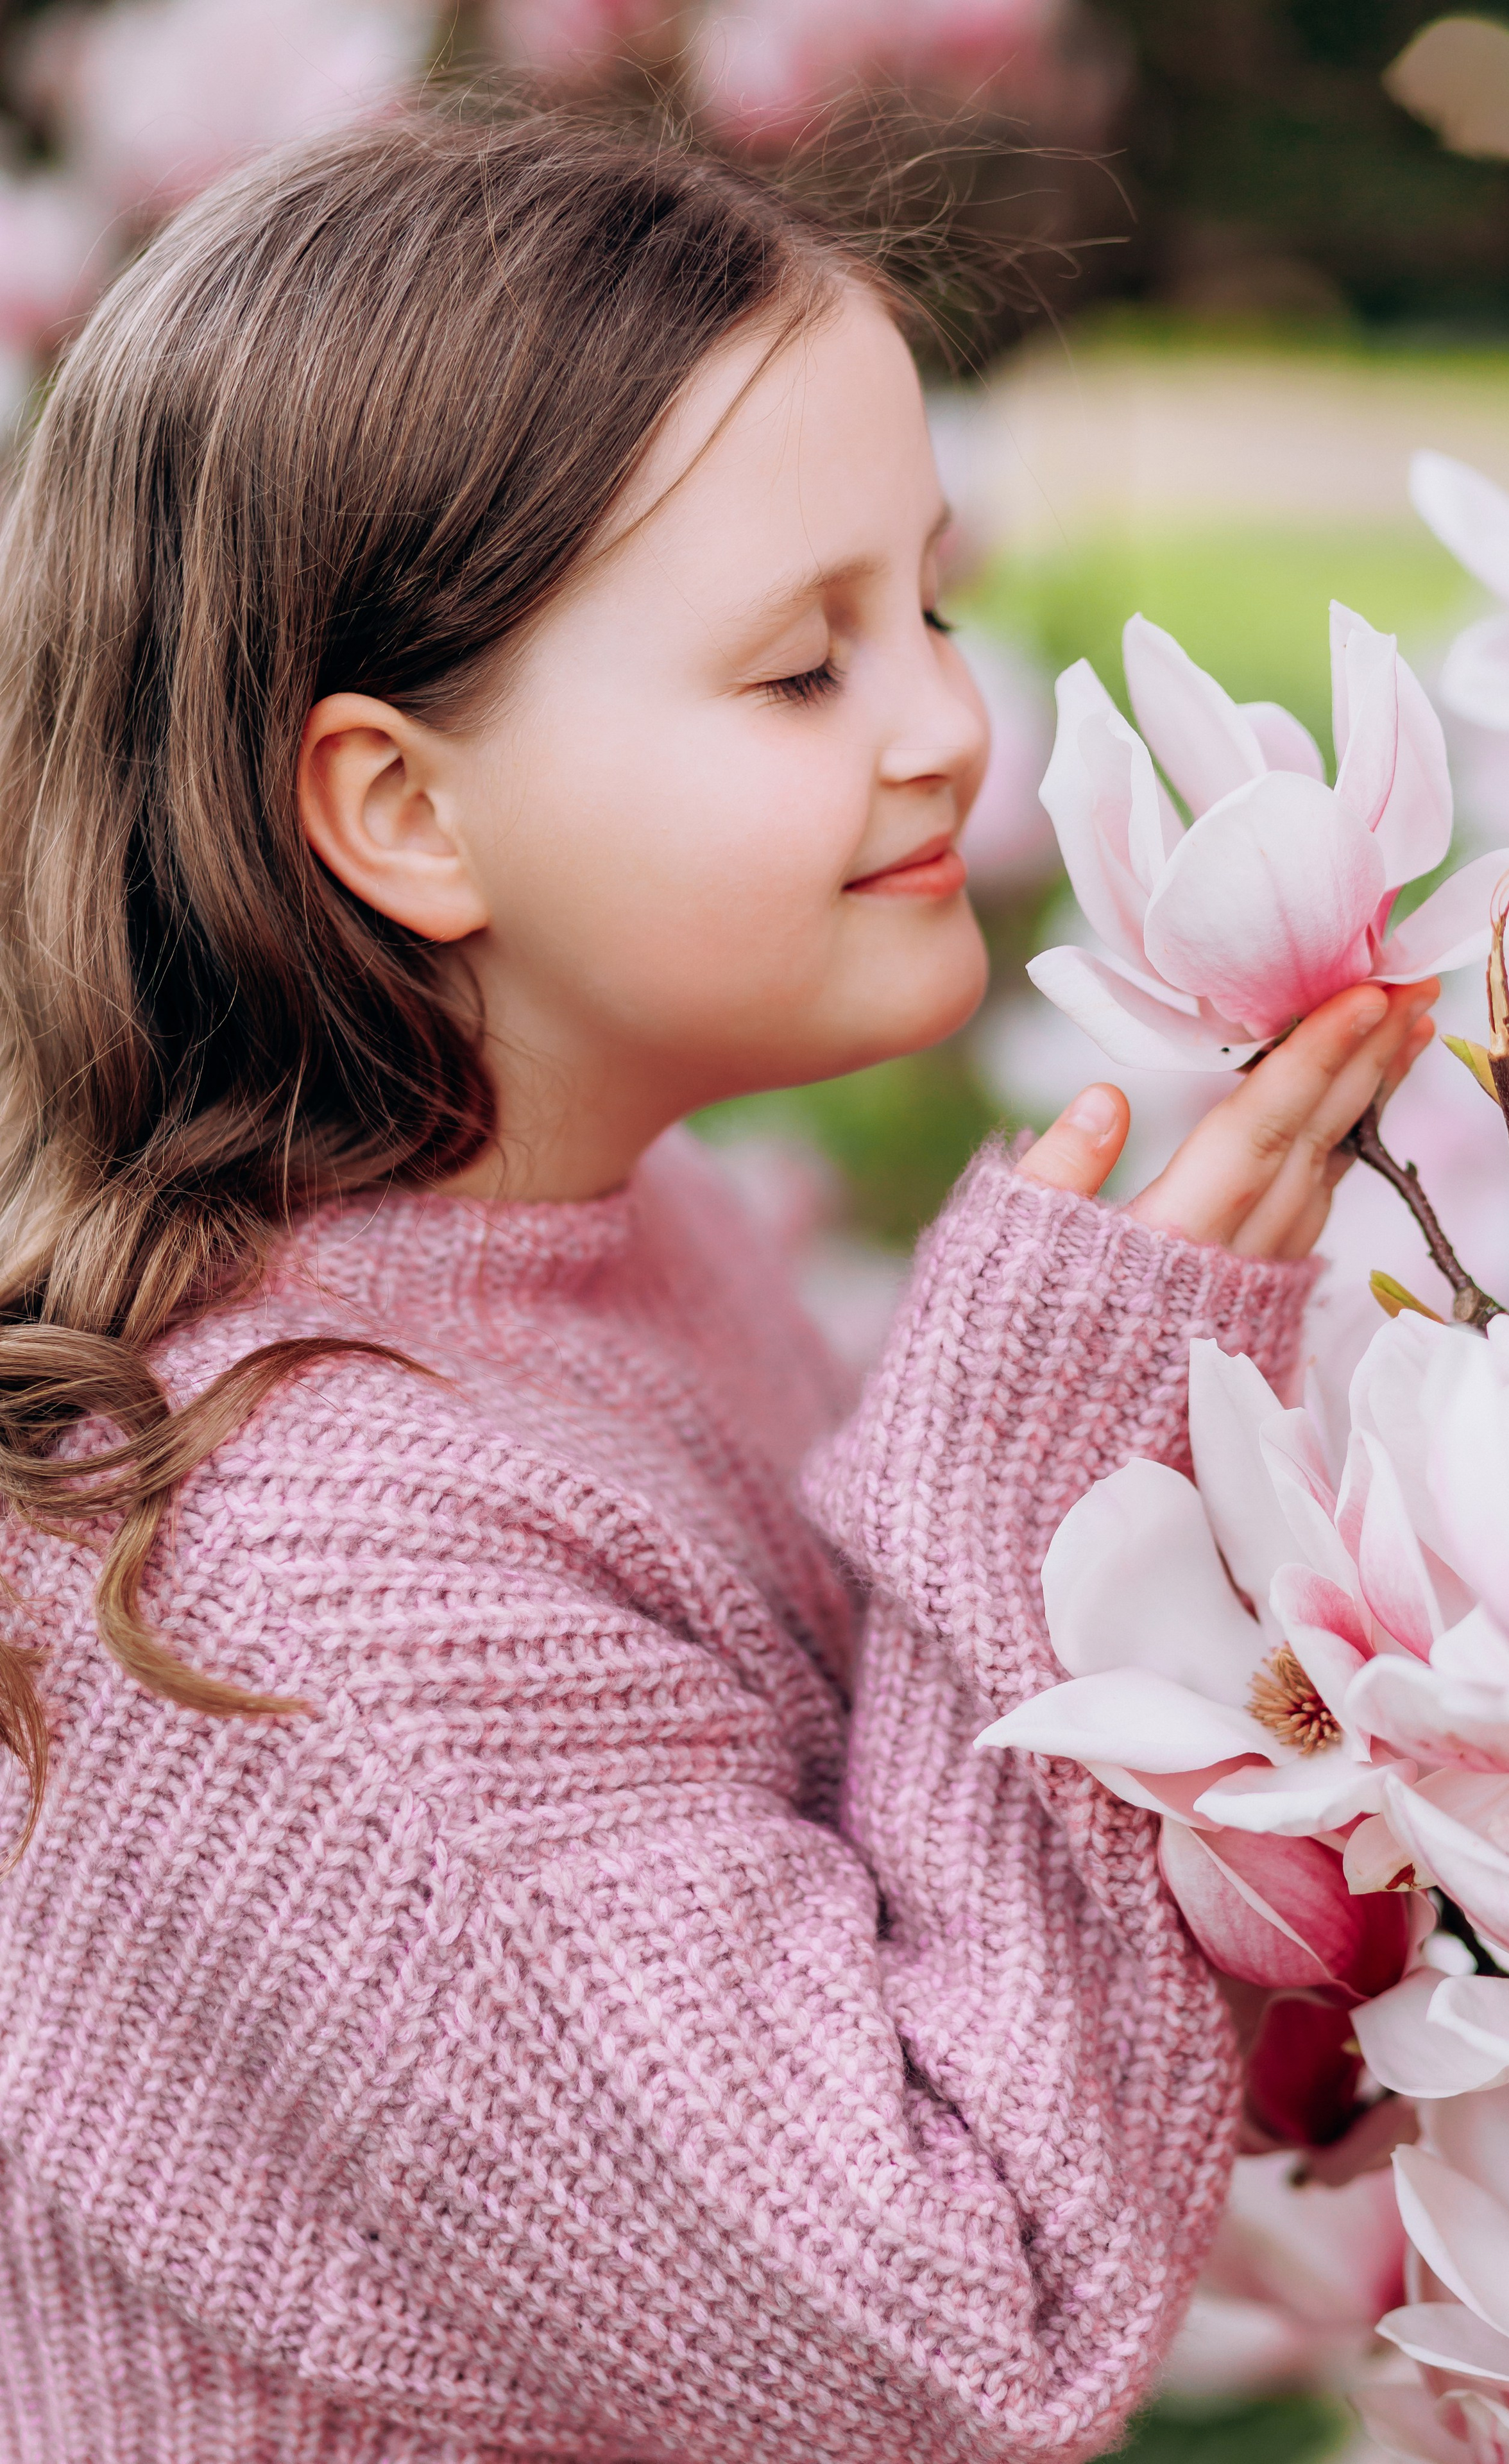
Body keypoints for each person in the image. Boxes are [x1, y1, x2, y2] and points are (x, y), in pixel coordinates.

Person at [0, 107, 1434, 2463]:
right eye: (802, 671)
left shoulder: (608, 1248)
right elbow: (974, 2332)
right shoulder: (304, 1582)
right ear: (402, 813)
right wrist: (1065, 1500)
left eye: (932, 605)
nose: (950, 726)